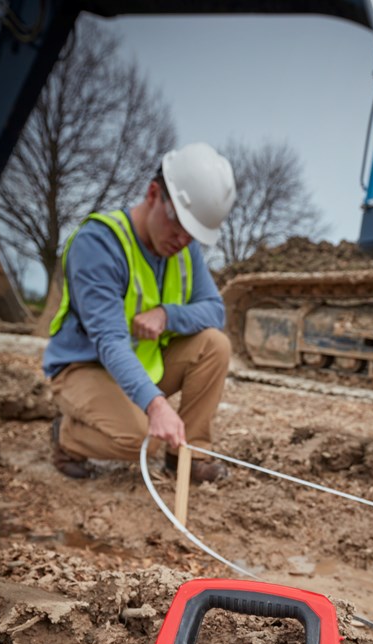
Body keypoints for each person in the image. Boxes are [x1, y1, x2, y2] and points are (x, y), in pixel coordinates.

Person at [43, 141, 236, 482]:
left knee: (214, 345)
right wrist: (156, 405)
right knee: (142, 441)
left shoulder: (183, 249)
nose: (183, 240)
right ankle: (67, 436)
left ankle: (186, 457)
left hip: (139, 363)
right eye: (178, 225)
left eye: (192, 234)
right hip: (84, 367)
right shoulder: (99, 244)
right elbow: (110, 340)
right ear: (153, 194)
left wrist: (166, 315)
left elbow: (214, 311)